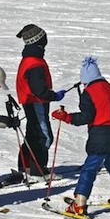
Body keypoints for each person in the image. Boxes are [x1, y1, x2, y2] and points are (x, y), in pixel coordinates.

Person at [52, 56, 110, 216]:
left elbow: (86, 117)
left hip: (100, 136)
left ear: (85, 80)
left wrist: (65, 117)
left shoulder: (89, 93)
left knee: (90, 169)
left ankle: (79, 204)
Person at [15, 24, 66, 179]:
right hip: (36, 102)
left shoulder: (31, 59)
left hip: (32, 102)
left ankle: (25, 166)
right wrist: (53, 96)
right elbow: (39, 90)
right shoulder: (34, 62)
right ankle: (38, 169)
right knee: (43, 136)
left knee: (33, 133)